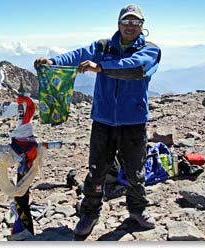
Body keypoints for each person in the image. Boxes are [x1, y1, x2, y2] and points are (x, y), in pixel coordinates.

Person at [34, 3, 161, 238]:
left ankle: (137, 209)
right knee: (97, 169)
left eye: (136, 23)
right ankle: (90, 213)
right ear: (119, 23)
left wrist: (101, 67)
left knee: (135, 170)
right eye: (127, 21)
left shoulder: (150, 50)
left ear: (142, 26)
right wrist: (52, 62)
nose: (131, 26)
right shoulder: (102, 46)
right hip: (103, 119)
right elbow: (78, 55)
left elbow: (136, 68)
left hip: (133, 120)